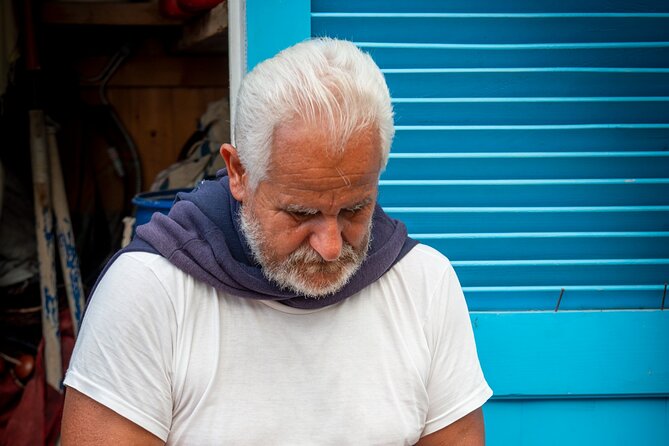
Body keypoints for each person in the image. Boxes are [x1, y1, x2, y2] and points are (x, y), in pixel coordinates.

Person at [61, 38, 492, 445]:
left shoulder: (424, 284)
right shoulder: (150, 291)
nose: (330, 246)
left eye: (354, 210)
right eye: (302, 213)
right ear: (239, 173)